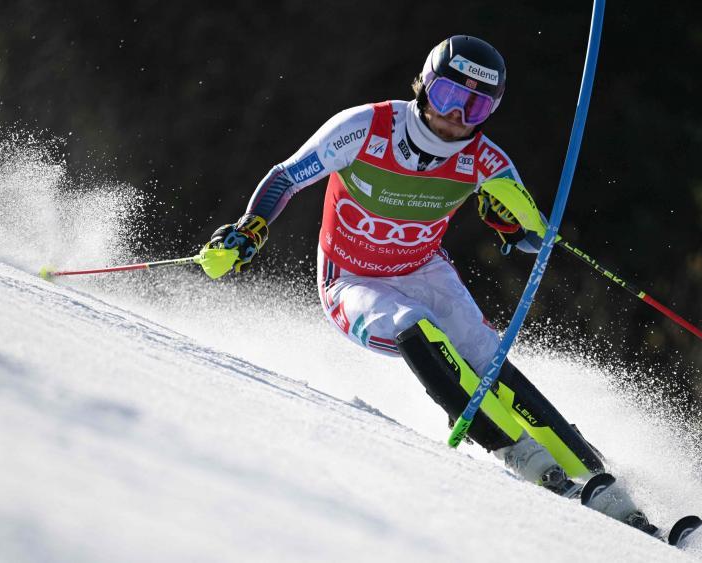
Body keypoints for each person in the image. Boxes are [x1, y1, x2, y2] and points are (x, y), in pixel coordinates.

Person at [203, 35, 654, 532]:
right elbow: (286, 177)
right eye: (448, 97)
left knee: (486, 354)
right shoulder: (366, 128)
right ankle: (525, 459)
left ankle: (596, 476)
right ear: (424, 86)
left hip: (423, 269)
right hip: (350, 281)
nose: (458, 116)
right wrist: (250, 229)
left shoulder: (486, 160)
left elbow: (533, 237)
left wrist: (513, 227)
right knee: (412, 325)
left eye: (476, 106)